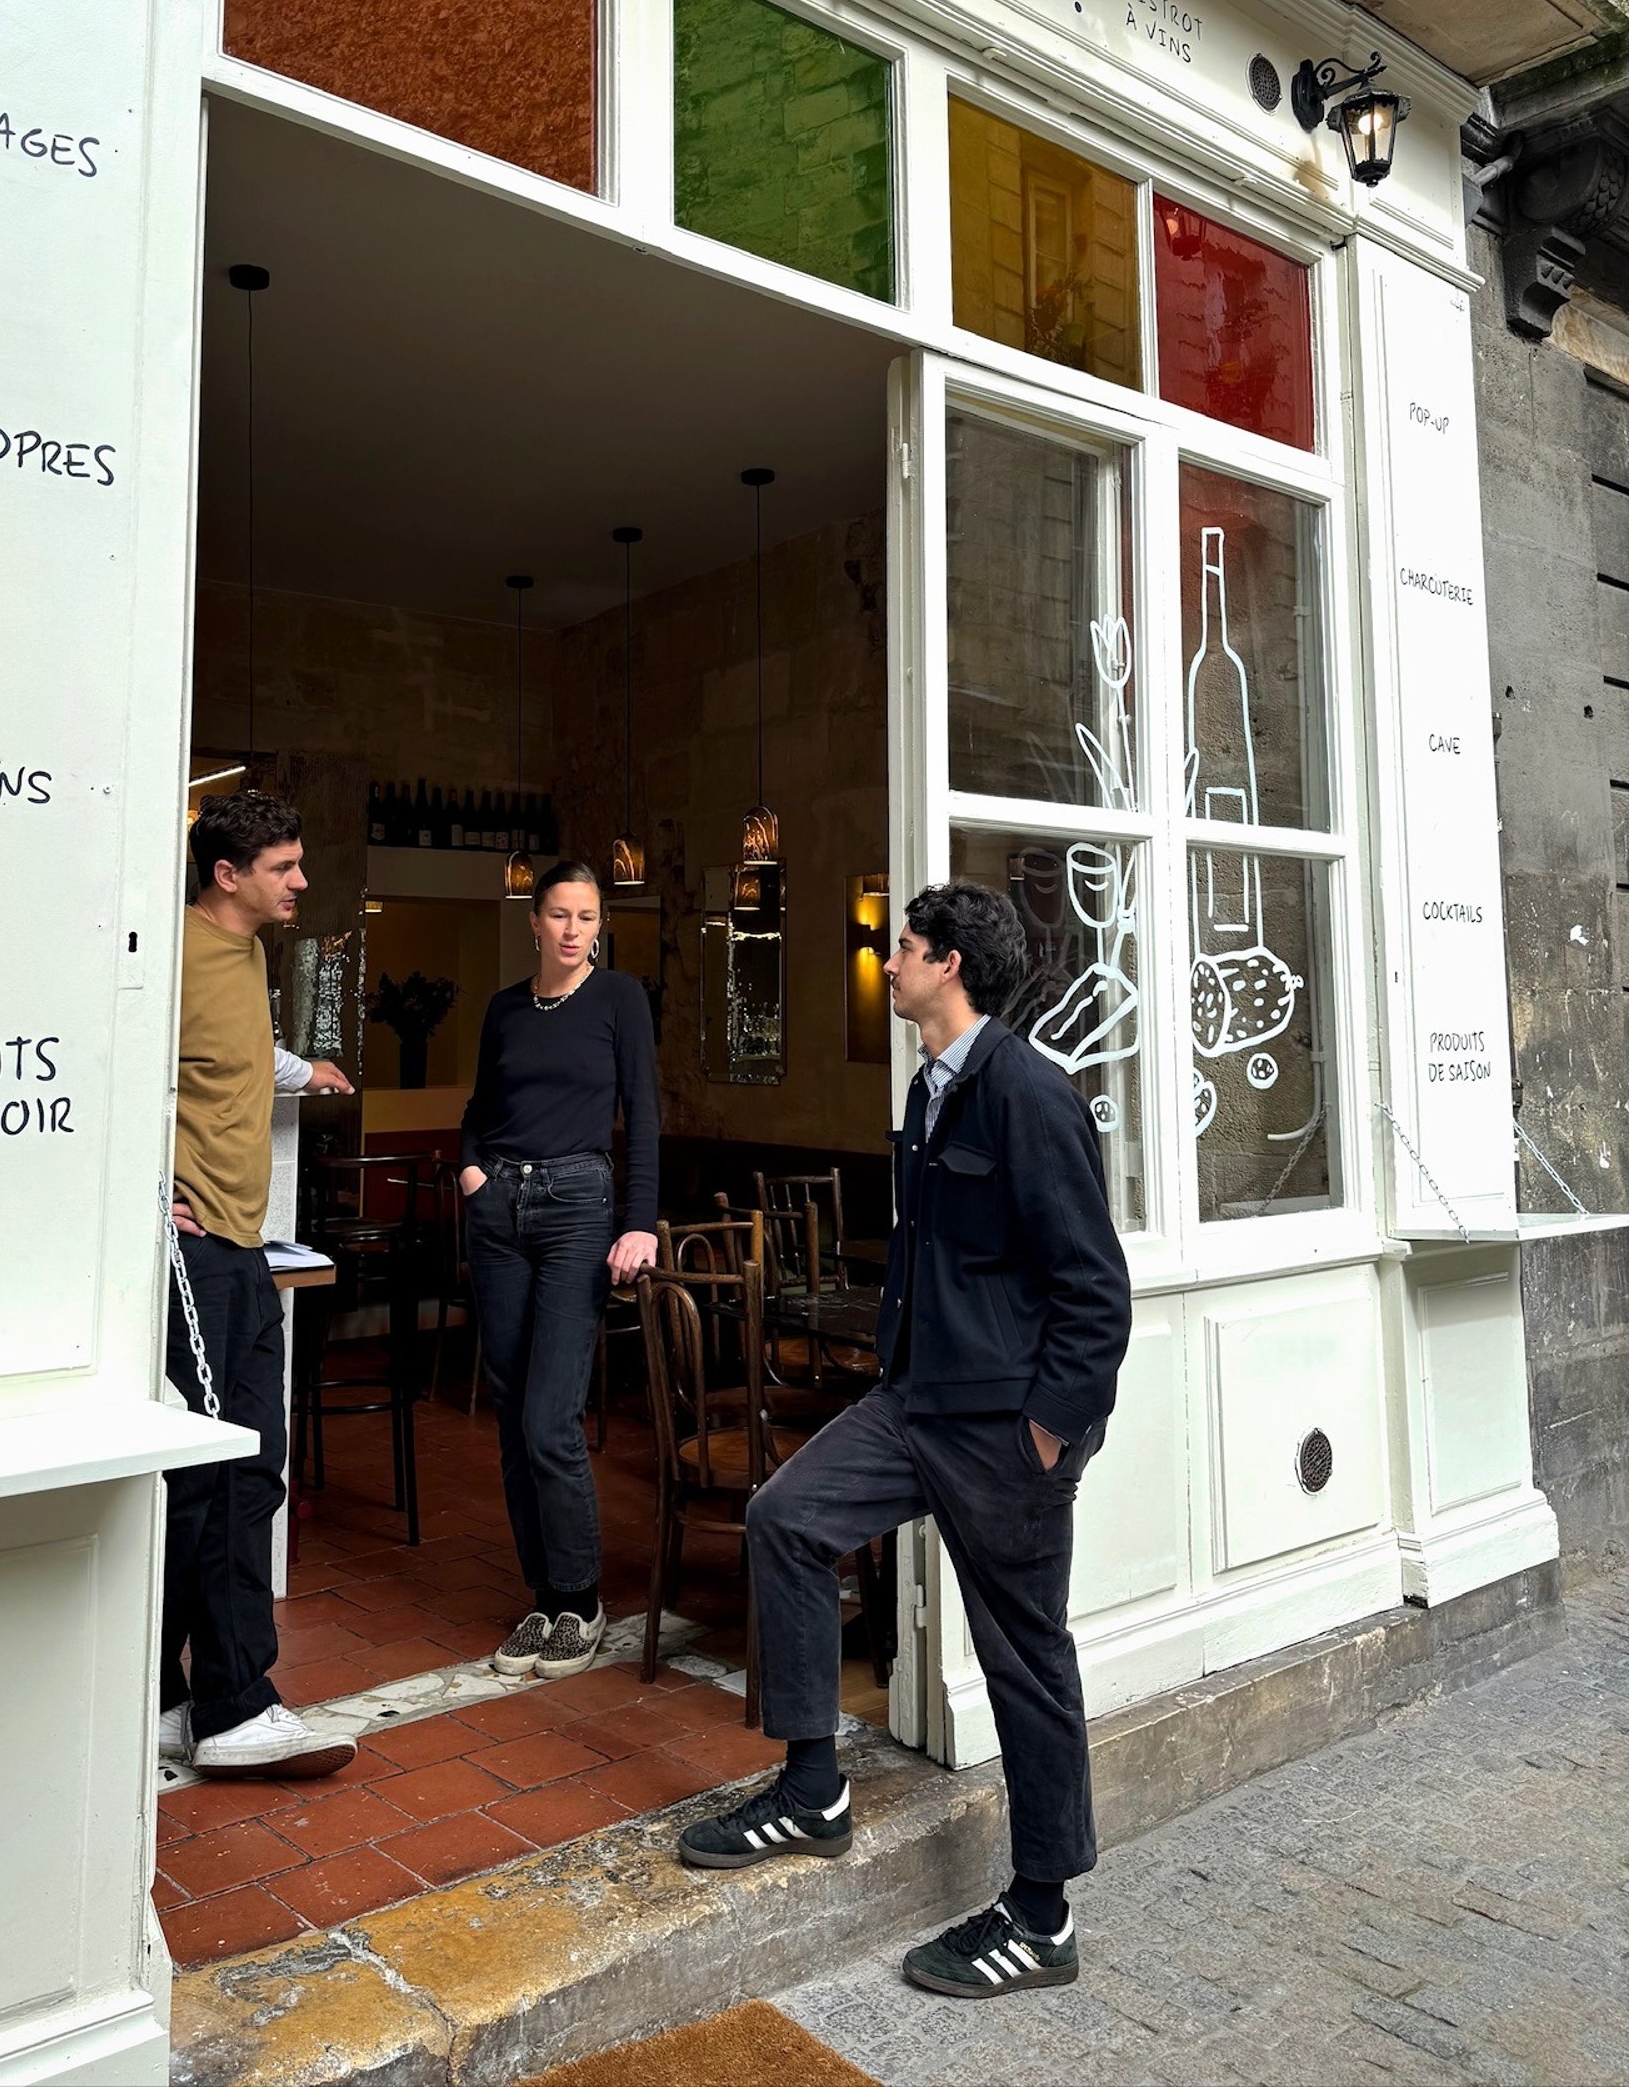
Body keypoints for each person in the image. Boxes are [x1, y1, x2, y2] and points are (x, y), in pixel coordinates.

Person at [677, 879, 1132, 2006]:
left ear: (951, 969)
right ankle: (813, 1787)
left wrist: (1044, 1436)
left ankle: (1041, 1914)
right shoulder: (929, 1088)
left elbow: (1096, 1293)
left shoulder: (1027, 1093)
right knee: (786, 1518)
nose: (891, 959)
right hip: (914, 1401)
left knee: (1026, 1658)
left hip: (1002, 1432)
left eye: (906, 948)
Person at [159, 790, 358, 1780]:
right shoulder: (170, 950)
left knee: (232, 1469)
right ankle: (234, 1703)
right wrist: (151, 1200)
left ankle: (167, 1696)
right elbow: (117, 1071)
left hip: (243, 1241)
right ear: (228, 875)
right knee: (227, 1473)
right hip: (196, 1251)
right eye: (285, 866)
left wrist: (301, 1069)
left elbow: (227, 1063)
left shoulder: (244, 953)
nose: (302, 881)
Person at [459, 859, 661, 1680]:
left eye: (588, 916)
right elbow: (478, 1108)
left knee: (550, 1417)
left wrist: (639, 1223)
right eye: (560, 915)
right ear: (533, 923)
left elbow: (643, 1113)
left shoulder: (619, 1000)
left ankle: (581, 1598)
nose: (574, 929)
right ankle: (543, 1596)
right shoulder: (505, 1009)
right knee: (511, 1414)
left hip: (579, 1206)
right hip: (497, 1205)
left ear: (598, 925)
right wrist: (469, 1170)